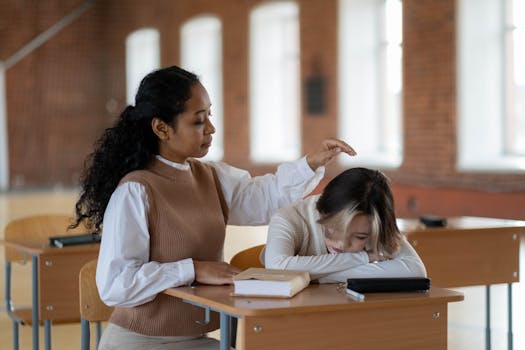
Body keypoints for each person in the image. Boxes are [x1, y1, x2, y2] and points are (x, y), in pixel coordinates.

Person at [71, 65, 356, 350]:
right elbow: (116, 285)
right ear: (161, 128)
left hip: (197, 341)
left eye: (209, 115)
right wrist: (192, 269)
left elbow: (264, 199)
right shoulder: (136, 191)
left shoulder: (209, 177)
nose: (211, 128)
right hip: (141, 343)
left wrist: (311, 163)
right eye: (198, 121)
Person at [264, 167, 427, 283]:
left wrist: (320, 277)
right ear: (321, 212)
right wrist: (362, 257)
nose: (342, 244)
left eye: (359, 237)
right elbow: (277, 268)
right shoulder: (289, 218)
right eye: (335, 229)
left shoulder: (375, 221)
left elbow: (415, 270)